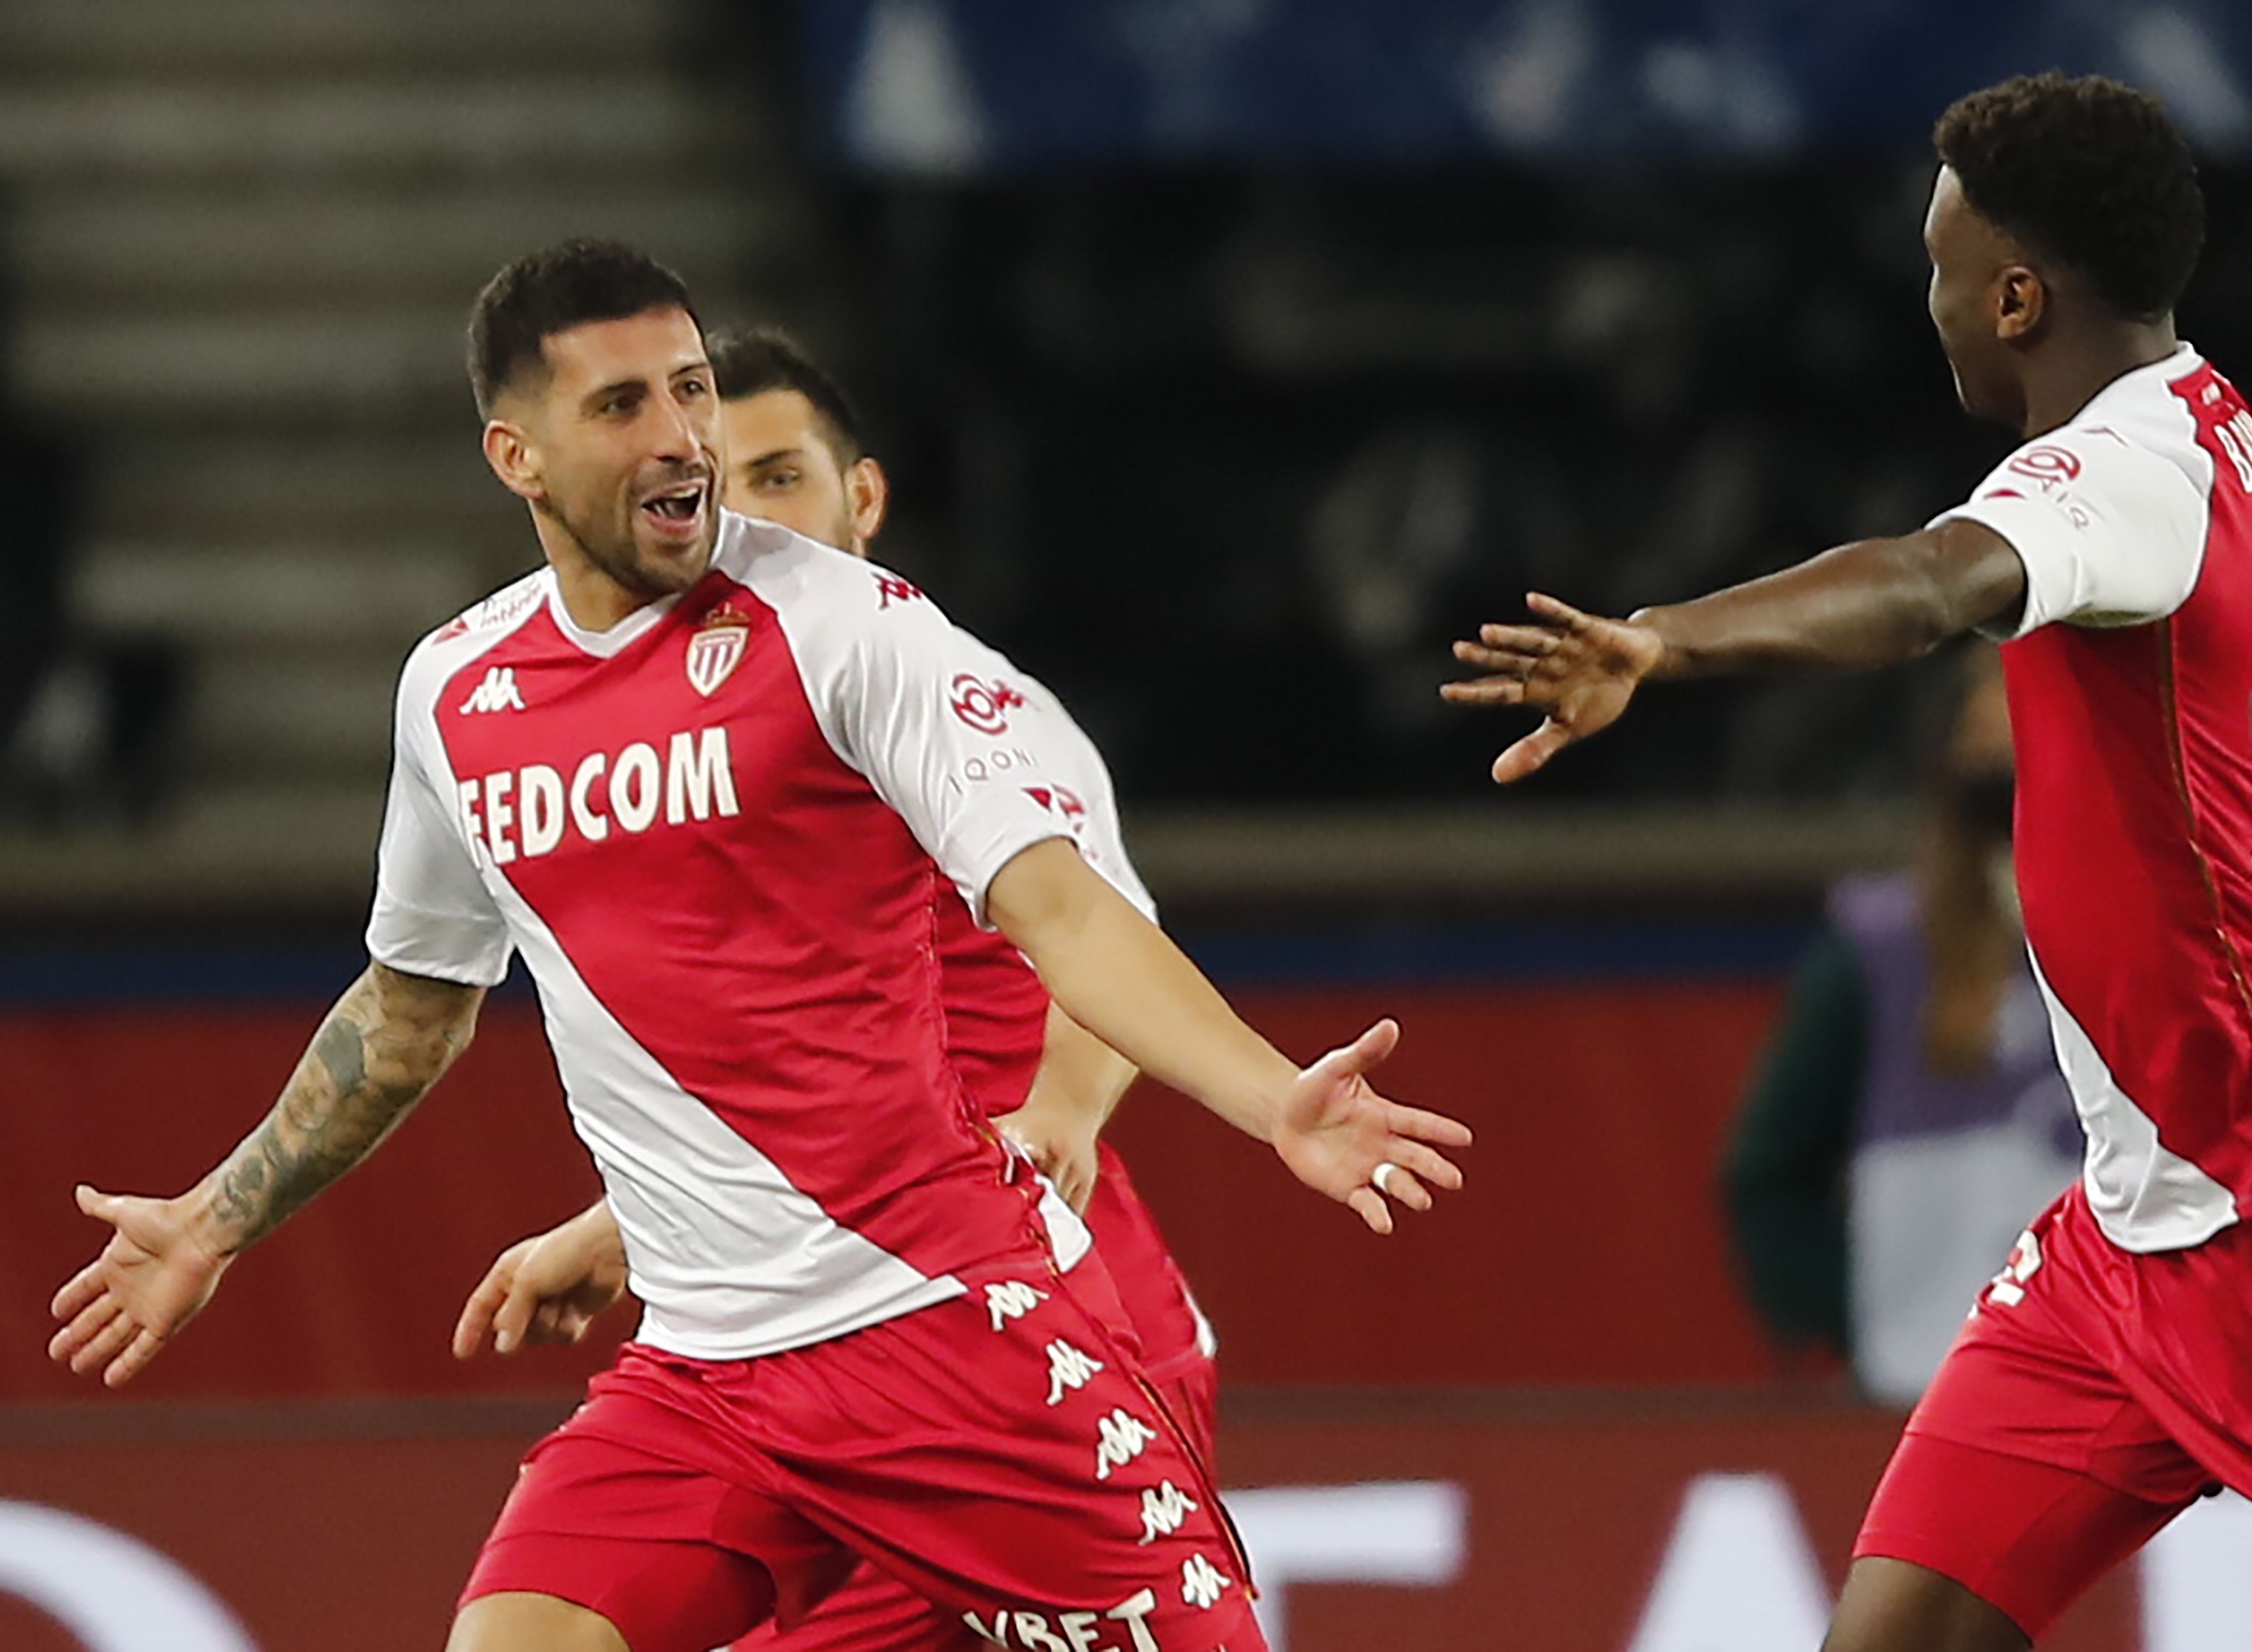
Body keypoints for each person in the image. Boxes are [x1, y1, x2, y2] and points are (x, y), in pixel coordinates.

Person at [48, 240, 1472, 1652]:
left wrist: (1267, 1091)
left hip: (945, 1331)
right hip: (706, 1378)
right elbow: (414, 1007)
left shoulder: (849, 631)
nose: (682, 440)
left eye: (690, 392)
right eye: (622, 406)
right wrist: (213, 1217)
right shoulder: (457, 695)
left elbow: (1065, 912)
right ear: (515, 457)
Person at [1448, 73, 2252, 1650]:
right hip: (2130, 1243)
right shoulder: (2206, 424)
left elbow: (1932, 583)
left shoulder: (2133, 472)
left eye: (1938, 264)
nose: (1924, 301)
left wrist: (1663, 640)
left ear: (2013, 296)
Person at [450, 324, 1220, 1652]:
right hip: (846, 1340)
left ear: (862, 497)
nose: (749, 516)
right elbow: (797, 1087)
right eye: (721, 484)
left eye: (784, 476)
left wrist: (1063, 1113)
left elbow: (1100, 947)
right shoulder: (725, 736)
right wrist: (632, 1219)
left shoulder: (968, 697)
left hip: (1032, 1321)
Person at [1724, 648, 2080, 1405]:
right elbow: (1768, 1175)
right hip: (1924, 1389)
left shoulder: (2161, 937)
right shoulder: (1879, 955)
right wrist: (1868, 1313)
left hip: (2125, 1393)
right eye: (1987, 729)